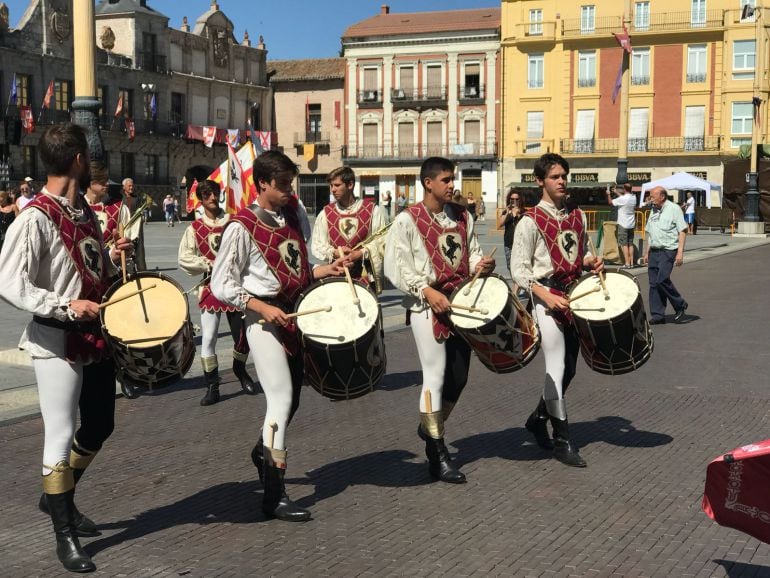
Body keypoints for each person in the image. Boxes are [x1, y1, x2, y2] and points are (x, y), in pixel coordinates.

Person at [0, 124, 133, 573]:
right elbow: (10, 283)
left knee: (100, 424)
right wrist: (62, 304)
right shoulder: (34, 217)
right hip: (56, 339)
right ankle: (65, 533)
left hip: (94, 335)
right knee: (59, 433)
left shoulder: (85, 213)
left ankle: (56, 495)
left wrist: (114, 258)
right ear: (78, 159)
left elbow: (86, 266)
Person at [210, 150, 345, 522]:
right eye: (282, 184)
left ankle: (262, 453)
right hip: (264, 322)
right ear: (263, 183)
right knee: (281, 402)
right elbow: (222, 285)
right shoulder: (240, 226)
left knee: (293, 401)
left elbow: (297, 267)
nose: (289, 191)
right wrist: (259, 306)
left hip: (295, 315)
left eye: (291, 183)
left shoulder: (292, 215)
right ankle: (273, 494)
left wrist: (324, 270)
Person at [384, 157, 494, 484]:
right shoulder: (407, 220)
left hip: (460, 302)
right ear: (428, 183)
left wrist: (480, 264)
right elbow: (395, 266)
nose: (452, 185)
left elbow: (471, 251)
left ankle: (429, 425)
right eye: (446, 179)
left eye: (453, 178)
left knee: (459, 377)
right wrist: (424, 290)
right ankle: (437, 452)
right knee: (434, 374)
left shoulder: (461, 215)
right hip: (425, 306)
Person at [511, 153, 604, 468]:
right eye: (554, 176)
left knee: (571, 368)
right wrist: (543, 296)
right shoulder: (529, 220)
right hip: (545, 298)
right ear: (540, 181)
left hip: (574, 295)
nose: (562, 181)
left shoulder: (577, 215)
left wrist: (592, 262)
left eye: (564, 175)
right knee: (556, 366)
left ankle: (538, 419)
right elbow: (519, 271)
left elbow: (583, 253)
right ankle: (562, 440)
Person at [178, 179, 259, 405]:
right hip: (210, 288)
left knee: (242, 337)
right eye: (207, 195)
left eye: (215, 193)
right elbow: (184, 258)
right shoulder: (194, 228)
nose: (212, 198)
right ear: (201, 200)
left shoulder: (234, 222)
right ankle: (212, 386)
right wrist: (206, 263)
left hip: (234, 287)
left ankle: (240, 370)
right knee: (210, 338)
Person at [311, 166, 388, 291]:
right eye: (331, 186)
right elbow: (318, 244)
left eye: (337, 185)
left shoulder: (372, 210)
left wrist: (360, 253)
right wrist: (334, 252)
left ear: (350, 184)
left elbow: (383, 241)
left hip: (364, 277)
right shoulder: (325, 213)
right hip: (336, 276)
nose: (333, 190)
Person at [644, 186, 689, 325]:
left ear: (662, 196)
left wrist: (680, 252)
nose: (650, 199)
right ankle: (658, 315)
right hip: (654, 251)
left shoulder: (674, 208)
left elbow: (682, 230)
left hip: (668, 250)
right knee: (653, 284)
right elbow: (651, 233)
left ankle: (680, 305)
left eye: (652, 196)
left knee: (661, 280)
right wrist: (647, 252)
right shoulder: (653, 210)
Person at [117, 178, 147, 271]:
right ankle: (123, 267)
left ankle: (142, 268)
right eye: (129, 186)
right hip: (124, 225)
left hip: (136, 225)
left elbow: (140, 209)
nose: (131, 187)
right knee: (124, 245)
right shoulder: (120, 198)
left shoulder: (137, 198)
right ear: (124, 187)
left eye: (132, 185)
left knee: (139, 246)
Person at [607, 182, 637, 268]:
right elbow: (623, 198)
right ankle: (631, 263)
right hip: (631, 224)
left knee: (624, 244)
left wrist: (609, 194)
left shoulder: (623, 199)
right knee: (630, 244)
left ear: (624, 189)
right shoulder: (633, 197)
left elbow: (610, 202)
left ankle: (627, 263)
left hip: (623, 224)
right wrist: (616, 192)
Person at [497, 188, 525, 274]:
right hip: (509, 244)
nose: (514, 201)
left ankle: (516, 287)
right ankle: (516, 286)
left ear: (520, 200)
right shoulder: (506, 212)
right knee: (510, 268)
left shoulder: (524, 212)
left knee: (520, 269)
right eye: (512, 199)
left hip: (521, 245)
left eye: (517, 199)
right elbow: (499, 225)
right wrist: (508, 213)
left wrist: (518, 214)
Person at [0, 190, 19, 254]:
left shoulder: (13, 207)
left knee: (8, 251)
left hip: (10, 233)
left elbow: (18, 220)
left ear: (5, 197)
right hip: (0, 233)